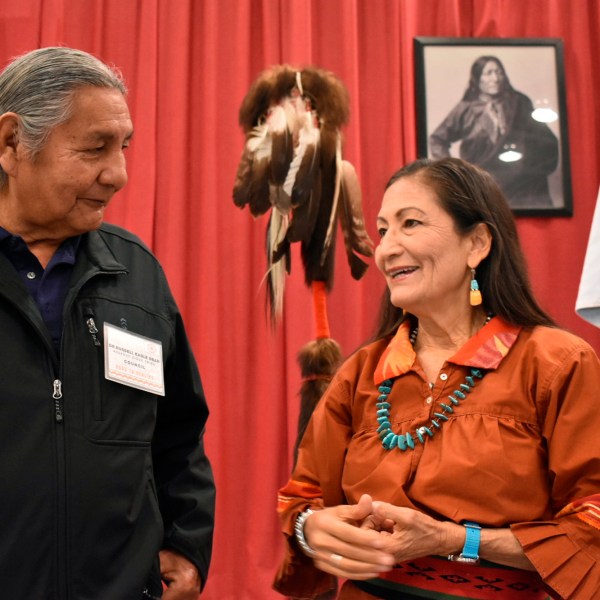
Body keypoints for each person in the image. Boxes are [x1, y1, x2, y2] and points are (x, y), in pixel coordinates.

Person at [273, 157, 600, 600]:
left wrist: (455, 540)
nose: (385, 248)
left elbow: (591, 521)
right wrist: (312, 528)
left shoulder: (556, 363)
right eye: (383, 230)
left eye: (410, 224)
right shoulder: (361, 372)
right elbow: (302, 498)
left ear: (477, 244)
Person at [0, 47, 215, 599]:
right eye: (94, 148)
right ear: (10, 144)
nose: (117, 174)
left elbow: (178, 435)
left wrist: (187, 545)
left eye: (123, 147)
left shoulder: (137, 273)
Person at [429, 56, 559, 209]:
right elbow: (437, 139)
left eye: (499, 72)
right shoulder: (465, 109)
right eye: (488, 73)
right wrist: (454, 174)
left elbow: (544, 139)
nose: (495, 78)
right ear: (477, 78)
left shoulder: (520, 102)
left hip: (521, 187)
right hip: (484, 187)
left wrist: (531, 168)